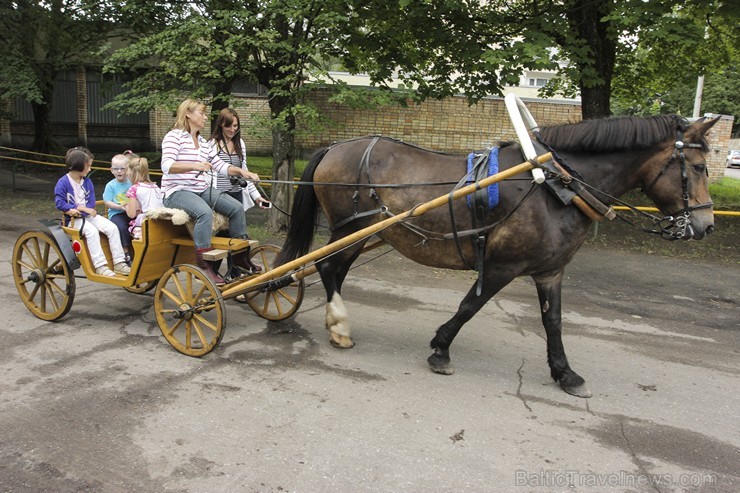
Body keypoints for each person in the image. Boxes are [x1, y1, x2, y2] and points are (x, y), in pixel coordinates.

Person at [160, 98, 263, 285]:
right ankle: (204, 265)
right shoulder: (174, 136)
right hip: (176, 191)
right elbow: (166, 165)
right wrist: (196, 165)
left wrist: (243, 172)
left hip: (200, 190)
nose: (206, 117)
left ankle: (240, 258)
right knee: (204, 213)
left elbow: (221, 166)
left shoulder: (202, 142)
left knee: (237, 208)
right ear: (188, 114)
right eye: (202, 113)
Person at [54, 147, 131, 277]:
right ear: (78, 165)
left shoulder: (87, 182)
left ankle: (119, 262)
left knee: (112, 227)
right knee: (91, 231)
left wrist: (85, 209)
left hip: (88, 216)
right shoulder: (63, 183)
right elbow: (60, 203)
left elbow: (91, 202)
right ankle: (100, 266)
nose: (90, 169)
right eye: (88, 166)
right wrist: (79, 209)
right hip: (73, 220)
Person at [208, 107, 270, 210]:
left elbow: (244, 172)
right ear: (221, 124)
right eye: (228, 126)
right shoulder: (213, 144)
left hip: (237, 194)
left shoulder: (240, 143)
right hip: (219, 196)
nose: (232, 129)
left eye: (235, 126)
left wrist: (257, 197)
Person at [103, 151, 133, 264]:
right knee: (120, 227)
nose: (119, 171)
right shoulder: (110, 185)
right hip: (117, 213)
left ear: (128, 169)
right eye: (116, 169)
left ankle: (139, 248)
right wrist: (120, 207)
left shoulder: (131, 182)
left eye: (122, 168)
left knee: (141, 223)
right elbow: (107, 202)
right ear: (111, 170)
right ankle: (126, 253)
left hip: (131, 211)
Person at [125, 155, 164, 239]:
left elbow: (131, 214)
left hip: (146, 222)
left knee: (129, 228)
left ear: (131, 172)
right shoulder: (156, 187)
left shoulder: (134, 189)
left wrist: (125, 206)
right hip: (161, 222)